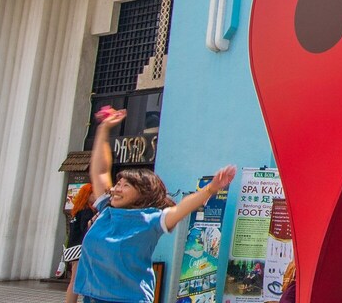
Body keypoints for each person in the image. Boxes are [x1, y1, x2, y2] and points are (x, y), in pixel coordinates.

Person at [73, 108, 235, 303]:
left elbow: (181, 208)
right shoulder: (107, 210)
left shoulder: (150, 220)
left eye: (126, 185)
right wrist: (103, 129)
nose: (117, 188)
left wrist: (210, 189)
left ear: (143, 193)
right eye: (118, 184)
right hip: (92, 297)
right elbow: (100, 171)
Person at [64, 183, 97, 303]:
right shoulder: (87, 211)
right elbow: (86, 228)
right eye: (94, 193)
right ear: (88, 195)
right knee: (75, 280)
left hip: (72, 248)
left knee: (74, 279)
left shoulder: (77, 210)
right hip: (80, 248)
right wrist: (93, 220)